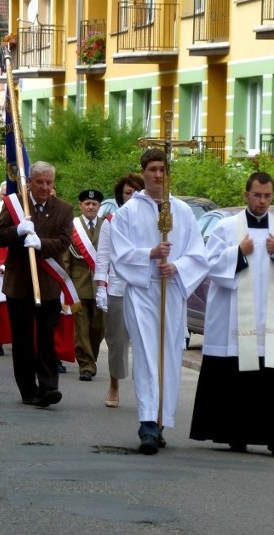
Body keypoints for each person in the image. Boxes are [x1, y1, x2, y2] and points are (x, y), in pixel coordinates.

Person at [189, 171, 274, 456]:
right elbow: (211, 264)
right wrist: (238, 252)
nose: (262, 201)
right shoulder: (226, 227)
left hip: (269, 321)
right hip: (233, 316)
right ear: (246, 195)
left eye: (267, 196)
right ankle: (234, 435)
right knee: (235, 378)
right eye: (257, 195)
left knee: (273, 379)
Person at [110, 148, 208, 454]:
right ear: (143, 172)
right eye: (152, 169)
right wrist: (149, 255)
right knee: (147, 354)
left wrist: (176, 266)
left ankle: (162, 418)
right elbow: (119, 254)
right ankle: (147, 423)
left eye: (162, 169)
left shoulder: (182, 211)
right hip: (142, 290)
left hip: (171, 289)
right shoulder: (128, 212)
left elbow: (198, 254)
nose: (157, 175)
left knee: (168, 355)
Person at [0, 161, 74, 408]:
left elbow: (64, 241)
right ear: (31, 182)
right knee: (23, 339)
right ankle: (28, 389)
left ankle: (49, 387)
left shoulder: (64, 209)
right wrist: (18, 230)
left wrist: (42, 243)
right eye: (40, 182)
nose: (45, 187)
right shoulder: (15, 204)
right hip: (19, 284)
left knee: (47, 337)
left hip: (48, 283)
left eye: (49, 183)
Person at [94, 172, 144, 408]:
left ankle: (145, 386)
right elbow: (102, 256)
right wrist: (101, 286)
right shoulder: (110, 221)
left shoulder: (151, 220)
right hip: (118, 287)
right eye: (127, 192)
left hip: (145, 288)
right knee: (116, 341)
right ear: (120, 196)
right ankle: (114, 384)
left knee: (145, 340)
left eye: (136, 192)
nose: (132, 196)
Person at [65, 189, 105, 382]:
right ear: (80, 205)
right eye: (87, 203)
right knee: (81, 329)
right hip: (78, 285)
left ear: (99, 206)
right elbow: (66, 257)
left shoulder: (107, 226)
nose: (90, 207)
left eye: (94, 204)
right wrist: (65, 285)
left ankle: (92, 358)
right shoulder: (73, 226)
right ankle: (85, 365)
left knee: (98, 328)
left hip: (101, 287)